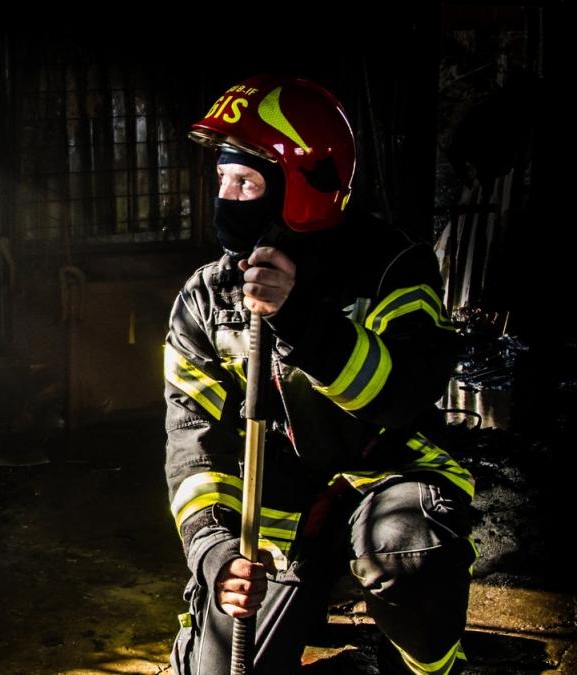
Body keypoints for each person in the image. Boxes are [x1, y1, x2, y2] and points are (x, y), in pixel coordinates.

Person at [164, 74, 476, 674]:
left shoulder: (392, 267)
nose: (227, 198)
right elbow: (192, 442)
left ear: (301, 187)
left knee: (406, 551)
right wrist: (215, 551)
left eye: (247, 182)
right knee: (222, 664)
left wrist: (300, 317)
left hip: (389, 472)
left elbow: (399, 395)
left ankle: (434, 664)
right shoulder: (204, 298)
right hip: (276, 506)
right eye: (222, 180)